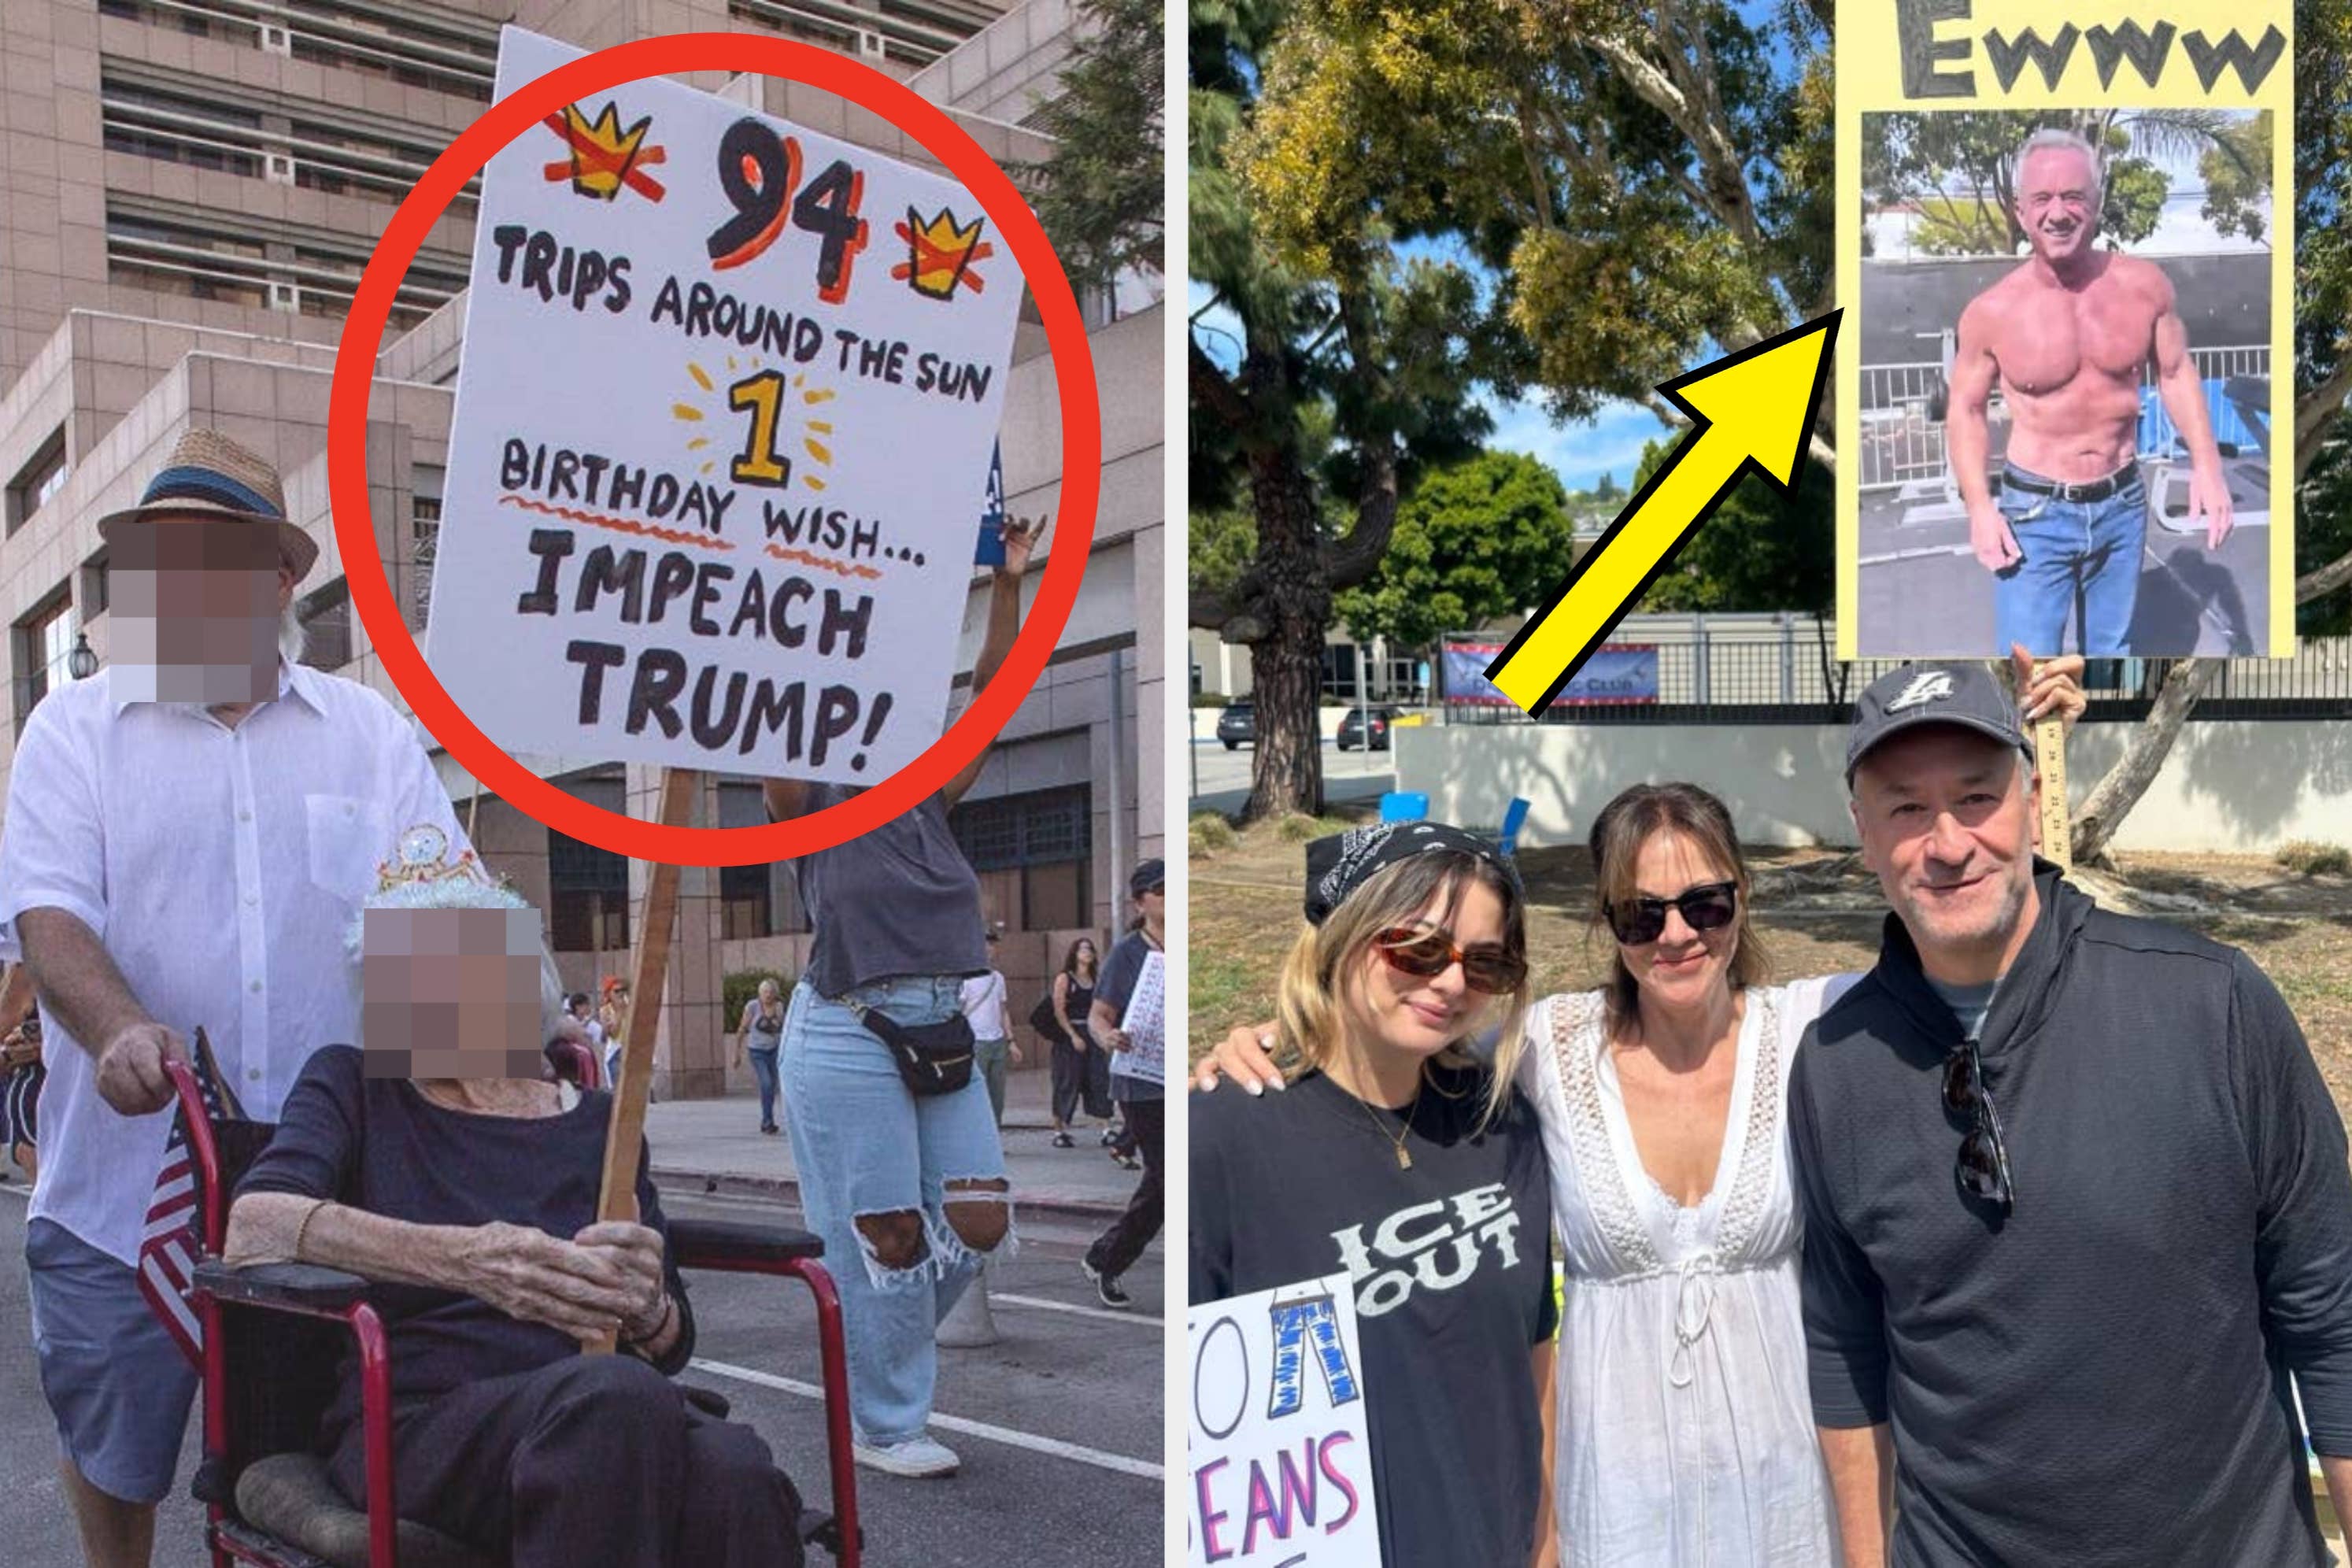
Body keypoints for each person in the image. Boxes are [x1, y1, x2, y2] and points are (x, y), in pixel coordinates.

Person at [1202, 658, 2089, 1565]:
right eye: (1641, 913)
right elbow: (1399, 1021)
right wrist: (1275, 1032)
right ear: (1608, 922)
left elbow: (1980, 947)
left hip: (1788, 1482)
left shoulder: (1816, 1029)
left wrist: (2034, 757)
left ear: (1741, 901)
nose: (1677, 934)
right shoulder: (1547, 1048)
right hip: (1612, 1494)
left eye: (1705, 903)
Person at [0, 428, 508, 1568]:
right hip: (124, 1186)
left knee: (307, 1476)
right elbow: (49, 918)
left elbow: (442, 917)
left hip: (325, 1187)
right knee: (115, 1450)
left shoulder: (368, 736)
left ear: (281, 581)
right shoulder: (74, 730)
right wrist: (119, 1027)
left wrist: (520, 1058)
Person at [1791, 660, 2352, 1565]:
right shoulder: (1833, 1069)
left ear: (2035, 799)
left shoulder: (2211, 1004)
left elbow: (2331, 1305)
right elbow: (1846, 1346)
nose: (1946, 842)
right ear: (1862, 833)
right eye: (1904, 808)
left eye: (1977, 797)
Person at [224, 845, 801, 1566]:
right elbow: (254, 1224)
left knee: (735, 1476)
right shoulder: (353, 1087)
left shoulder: (600, 1125)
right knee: (617, 1401)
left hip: (610, 1411)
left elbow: (669, 1343)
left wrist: (648, 1306)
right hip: (422, 1422)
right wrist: (467, 1260)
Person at [759, 512, 1045, 1478]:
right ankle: (885, 1425)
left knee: (977, 1217)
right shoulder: (807, 799)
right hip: (843, 1028)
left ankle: (862, 1333)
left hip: (938, 1023)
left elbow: (995, 692)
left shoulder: (928, 790)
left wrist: (1006, 584)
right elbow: (776, 714)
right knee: (885, 1234)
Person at [1190, 825, 1555, 1564]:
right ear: (1345, 932)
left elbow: (1533, 1367)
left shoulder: (1501, 1118)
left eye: (1485, 963)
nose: (1452, 982)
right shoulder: (1227, 1131)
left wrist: (1545, 1549)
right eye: (1416, 949)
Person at [1947, 128, 2234, 656]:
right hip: (2034, 513)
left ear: (2097, 205)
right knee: (2031, 665)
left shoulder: (2145, 287)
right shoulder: (1992, 312)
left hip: (2122, 505)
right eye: (2042, 199)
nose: (2058, 213)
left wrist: (2208, 467)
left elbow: (2175, 373)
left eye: (2073, 196)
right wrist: (1979, 509)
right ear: (2019, 211)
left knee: (2113, 652)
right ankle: (2037, 746)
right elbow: (1964, 409)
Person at [1082, 862, 1167, 1307]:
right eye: (1160, 890)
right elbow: (1100, 1015)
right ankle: (1109, 1261)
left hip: (1185, 1073)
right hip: (1141, 1082)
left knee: (1172, 1180)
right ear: (1141, 902)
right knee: (1167, 1179)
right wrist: (1107, 1037)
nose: (1170, 896)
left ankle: (1103, 1257)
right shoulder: (1127, 953)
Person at [1044, 937, 1101, 1147]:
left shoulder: (1096, 979)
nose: (1087, 953)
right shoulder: (1065, 978)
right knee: (1066, 1081)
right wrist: (1073, 1036)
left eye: (1090, 949)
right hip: (1070, 1034)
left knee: (1098, 1079)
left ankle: (1107, 1126)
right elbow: (1058, 1010)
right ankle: (1059, 1130)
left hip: (1092, 1031)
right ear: (1074, 953)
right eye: (1082, 949)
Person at [958, 934, 1018, 1126]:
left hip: (997, 1041)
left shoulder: (998, 978)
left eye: (992, 945)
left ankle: (996, 1136)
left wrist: (1011, 1041)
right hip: (976, 1042)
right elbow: (958, 1012)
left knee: (997, 1093)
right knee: (976, 1092)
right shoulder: (965, 979)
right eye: (986, 945)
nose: (990, 949)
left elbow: (1003, 1011)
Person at [733, 978, 786, 1134]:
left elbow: (783, 1029)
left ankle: (768, 1120)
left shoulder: (779, 1007)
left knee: (772, 1087)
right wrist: (737, 1054)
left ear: (776, 994)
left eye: (771, 992)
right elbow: (742, 1029)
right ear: (760, 993)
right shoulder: (753, 1007)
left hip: (774, 1050)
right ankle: (767, 1121)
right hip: (757, 1051)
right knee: (767, 1083)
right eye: (765, 992)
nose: (768, 995)